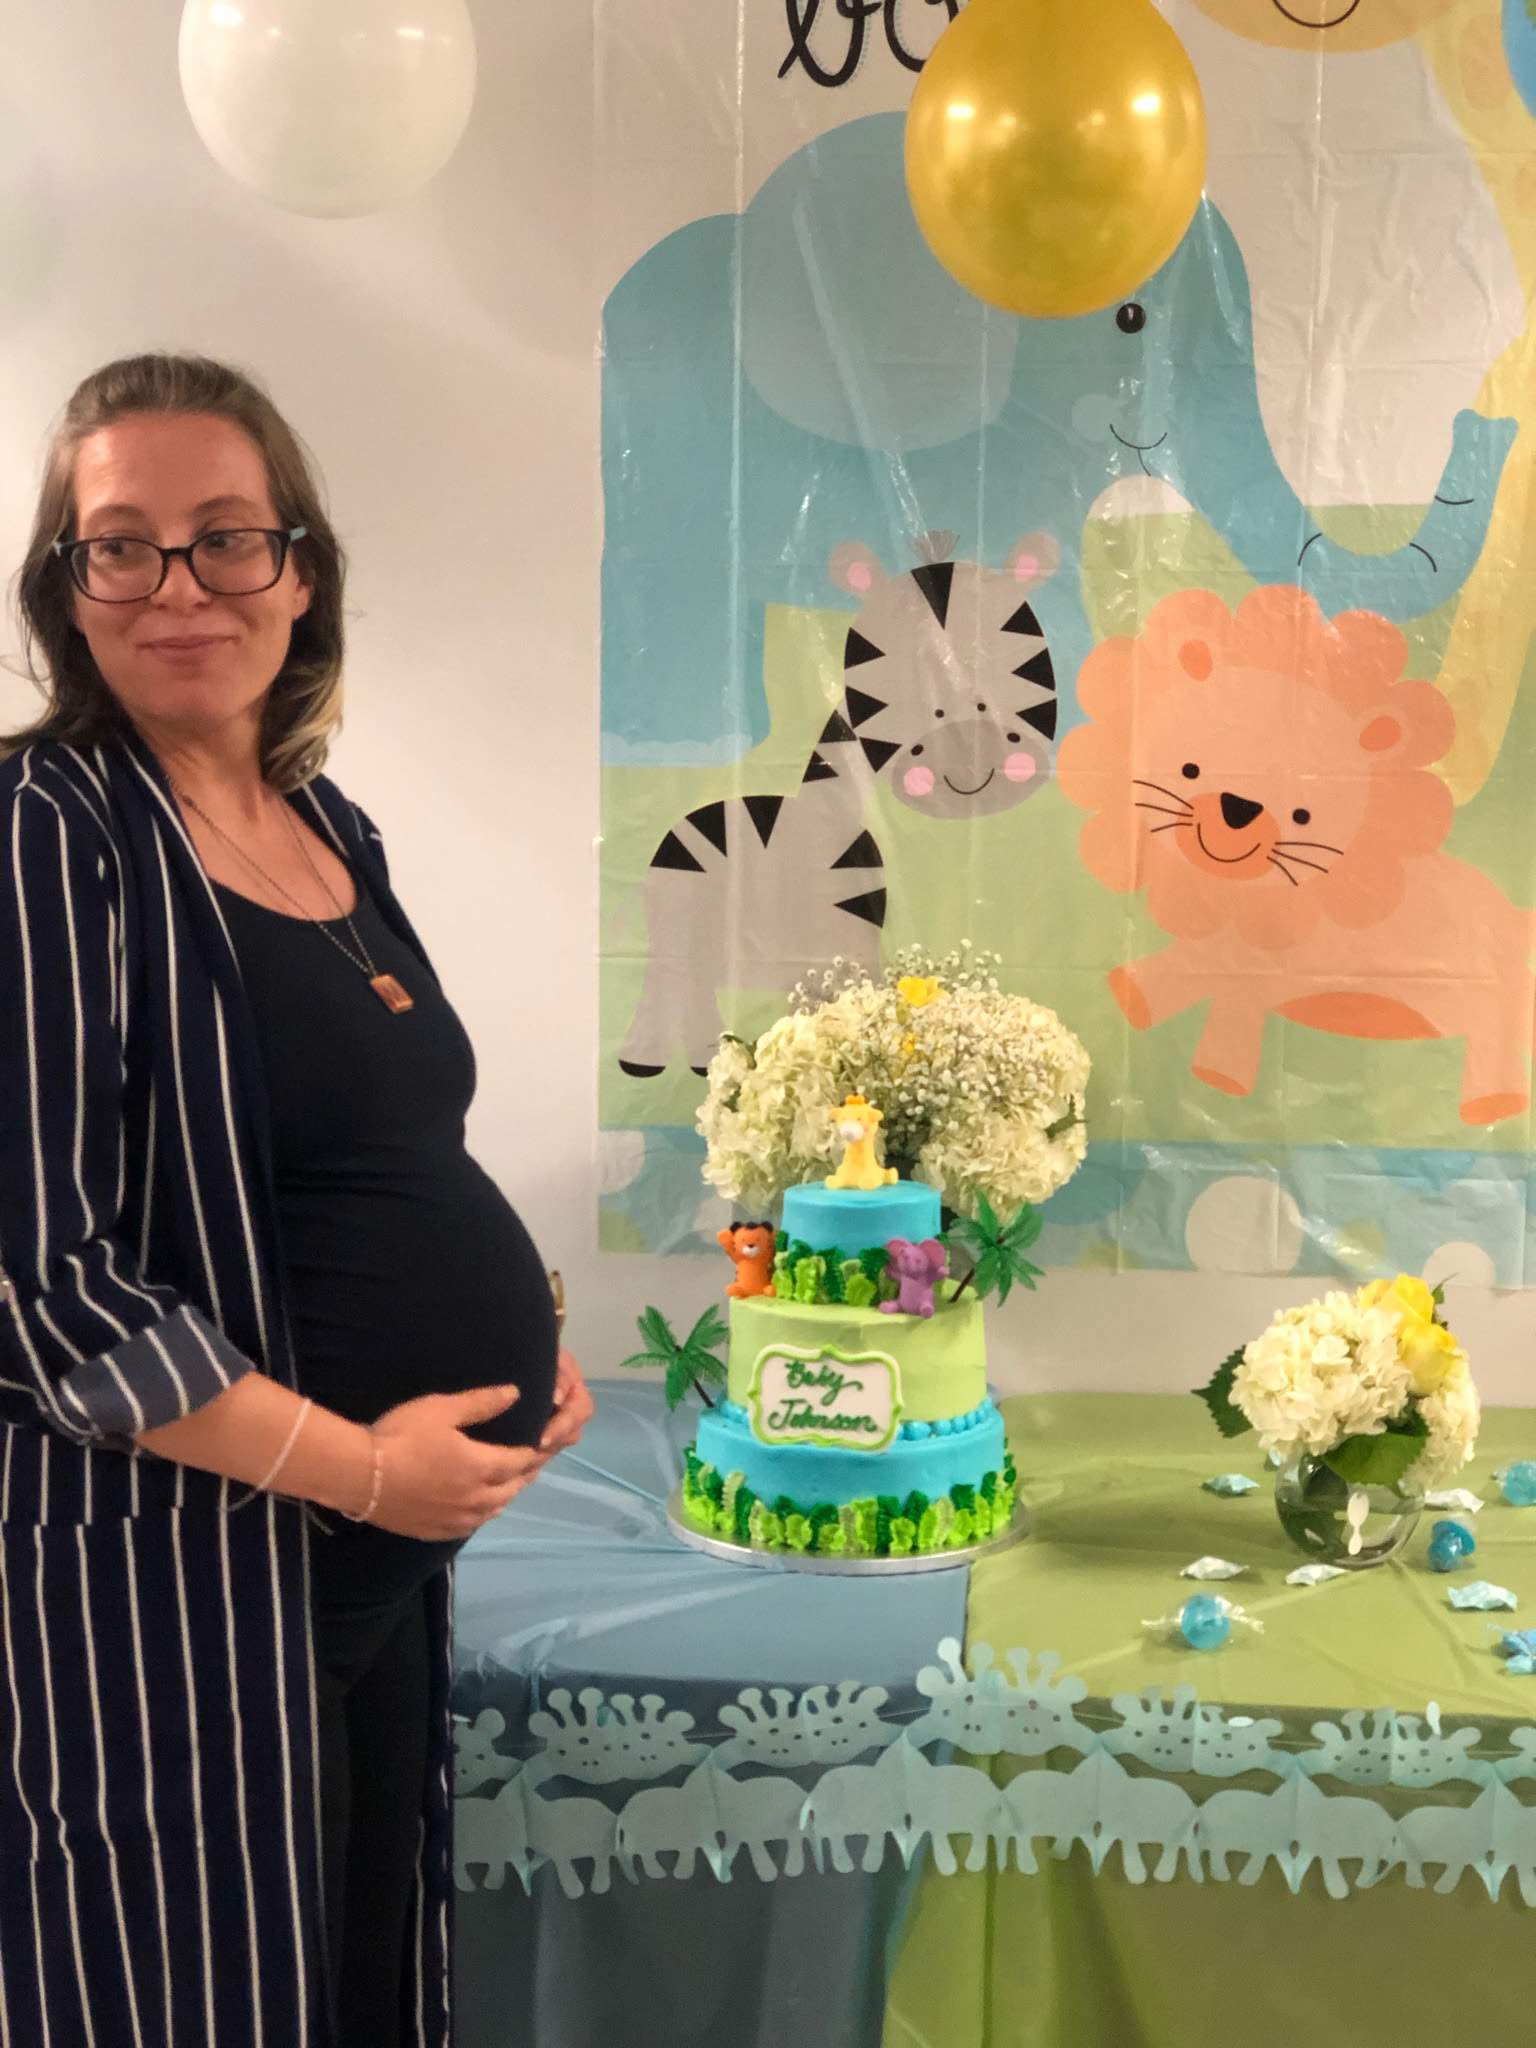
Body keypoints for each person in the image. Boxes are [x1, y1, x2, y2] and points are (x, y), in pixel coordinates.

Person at [0, 352, 595, 2048]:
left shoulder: (331, 824)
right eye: (122, 545)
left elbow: (389, 1149)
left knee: (353, 1976)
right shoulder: (46, 832)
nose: (179, 585)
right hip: (180, 1580)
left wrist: (526, 1336)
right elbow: (40, 1277)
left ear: (301, 569)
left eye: (227, 536)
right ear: (67, 590)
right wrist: (364, 1468)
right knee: (193, 1993)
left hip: (365, 1559)